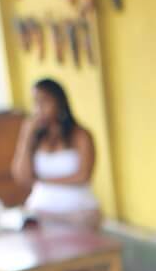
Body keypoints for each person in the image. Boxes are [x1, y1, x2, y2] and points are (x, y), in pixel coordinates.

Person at [12, 77, 99, 224]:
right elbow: (22, 176)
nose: (39, 109)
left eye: (44, 102)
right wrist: (26, 137)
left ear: (59, 102)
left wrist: (43, 181)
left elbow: (83, 176)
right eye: (35, 103)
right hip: (40, 208)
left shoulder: (80, 135)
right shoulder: (36, 137)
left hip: (76, 210)